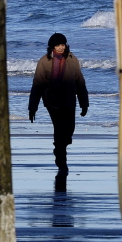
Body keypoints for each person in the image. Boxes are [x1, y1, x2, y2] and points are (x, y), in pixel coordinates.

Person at [29, 32, 89, 176]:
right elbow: (37, 85)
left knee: (69, 130)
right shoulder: (44, 61)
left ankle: (59, 147)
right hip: (52, 101)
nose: (61, 48)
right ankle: (61, 160)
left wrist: (84, 103)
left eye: (63, 45)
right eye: (58, 45)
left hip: (69, 100)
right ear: (52, 47)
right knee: (59, 128)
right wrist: (33, 107)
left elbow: (80, 82)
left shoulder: (72, 60)